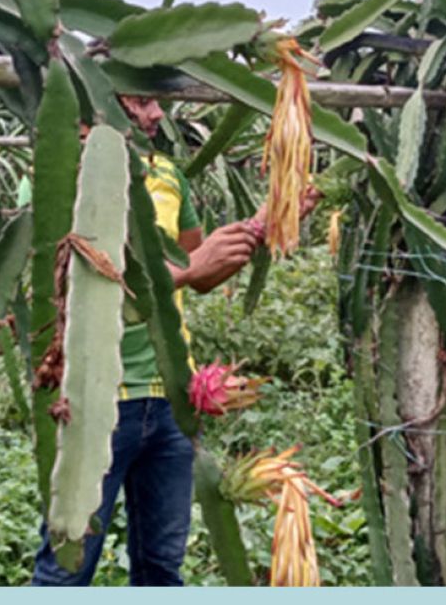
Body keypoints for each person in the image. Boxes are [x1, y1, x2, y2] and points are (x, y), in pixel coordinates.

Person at [30, 94, 307, 586]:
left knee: (162, 567)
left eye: (160, 101)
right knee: (65, 574)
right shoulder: (60, 170)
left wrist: (265, 223)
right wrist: (190, 269)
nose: (157, 113)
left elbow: (194, 270)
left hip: (171, 402)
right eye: (141, 100)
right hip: (95, 402)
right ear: (98, 94)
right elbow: (64, 288)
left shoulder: (167, 174)